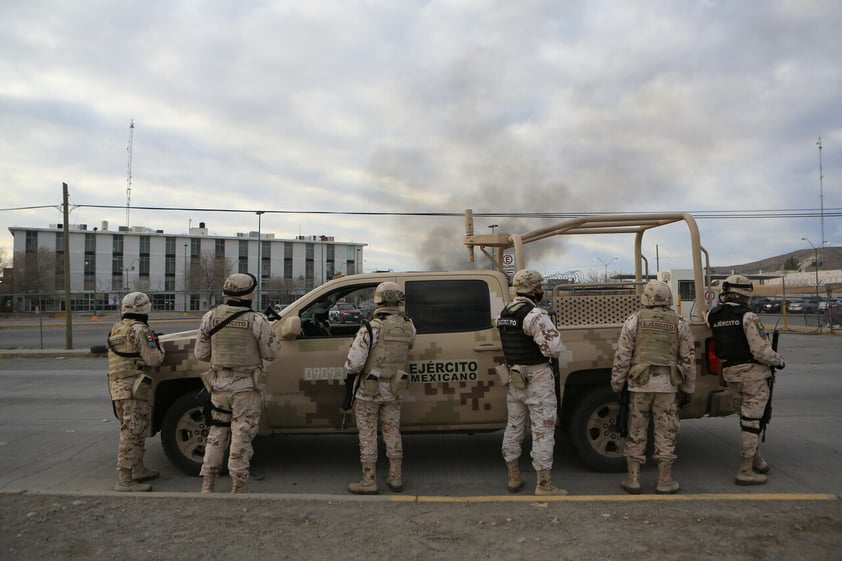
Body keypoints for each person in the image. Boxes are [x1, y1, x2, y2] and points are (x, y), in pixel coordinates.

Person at [195, 273, 280, 493]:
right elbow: (271, 353)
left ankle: (208, 485)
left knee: (216, 433)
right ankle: (238, 487)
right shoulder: (257, 320)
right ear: (251, 293)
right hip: (245, 389)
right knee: (241, 435)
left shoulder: (210, 317)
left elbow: (201, 354)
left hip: (219, 386)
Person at [611, 281, 696, 494]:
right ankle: (664, 481)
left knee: (636, 429)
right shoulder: (679, 322)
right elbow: (688, 358)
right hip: (667, 386)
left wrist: (617, 383)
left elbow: (622, 356)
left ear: (646, 298)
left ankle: (633, 479)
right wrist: (688, 388)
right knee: (666, 431)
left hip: (639, 385)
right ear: (668, 298)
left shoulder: (634, 320)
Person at [706, 275, 784, 486]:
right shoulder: (748, 317)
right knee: (751, 423)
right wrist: (779, 360)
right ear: (745, 293)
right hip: (752, 376)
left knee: (747, 420)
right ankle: (745, 470)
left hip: (730, 375)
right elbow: (761, 352)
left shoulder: (713, 315)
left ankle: (757, 460)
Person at [496, 269, 566, 496]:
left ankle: (513, 476)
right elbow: (554, 349)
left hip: (515, 379)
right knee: (542, 431)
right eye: (539, 286)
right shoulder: (534, 314)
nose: (541, 290)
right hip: (537, 379)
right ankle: (544, 485)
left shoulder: (505, 312)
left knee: (514, 427)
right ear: (534, 288)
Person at [344, 281, 416, 494]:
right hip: (394, 387)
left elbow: (354, 363)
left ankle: (369, 480)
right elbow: (409, 346)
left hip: (369, 389)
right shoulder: (408, 326)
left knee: (367, 433)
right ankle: (395, 477)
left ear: (379, 299)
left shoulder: (371, 328)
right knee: (392, 430)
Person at [107, 291, 165, 492]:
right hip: (134, 389)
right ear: (145, 308)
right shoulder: (140, 330)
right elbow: (154, 359)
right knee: (131, 432)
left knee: (136, 429)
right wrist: (159, 346)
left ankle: (137, 469)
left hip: (118, 387)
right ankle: (124, 480)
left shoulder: (116, 329)